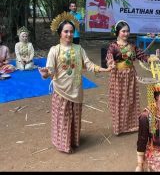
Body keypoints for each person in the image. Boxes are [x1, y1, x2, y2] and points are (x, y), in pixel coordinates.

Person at [38, 12, 114, 154]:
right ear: (60, 33)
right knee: (63, 118)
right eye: (66, 31)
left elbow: (89, 64)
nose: (69, 34)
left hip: (76, 89)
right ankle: (63, 145)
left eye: (71, 31)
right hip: (61, 90)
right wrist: (45, 73)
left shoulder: (79, 49)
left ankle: (73, 141)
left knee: (74, 117)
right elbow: (50, 69)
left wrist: (105, 69)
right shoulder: (54, 50)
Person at [105, 20, 158, 135]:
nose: (126, 33)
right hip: (118, 76)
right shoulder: (113, 46)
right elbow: (109, 57)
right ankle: (119, 127)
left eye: (128, 31)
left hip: (130, 76)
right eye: (123, 31)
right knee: (119, 100)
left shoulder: (132, 45)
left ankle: (132, 126)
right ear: (117, 32)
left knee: (131, 100)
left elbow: (141, 55)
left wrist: (150, 59)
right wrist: (111, 62)